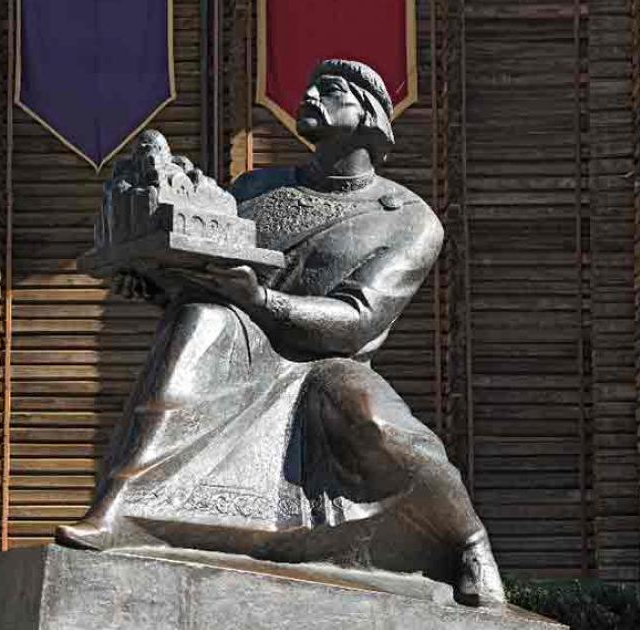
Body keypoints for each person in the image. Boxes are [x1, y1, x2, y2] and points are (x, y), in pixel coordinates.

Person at [56, 59, 505, 607]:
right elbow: (212, 271)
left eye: (330, 90)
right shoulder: (256, 188)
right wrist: (155, 281)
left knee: (371, 418)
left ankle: (466, 539)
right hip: (244, 342)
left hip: (325, 363)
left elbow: (358, 319)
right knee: (200, 318)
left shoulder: (408, 219)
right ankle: (123, 508)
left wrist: (260, 299)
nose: (309, 94)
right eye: (310, 85)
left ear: (370, 115)